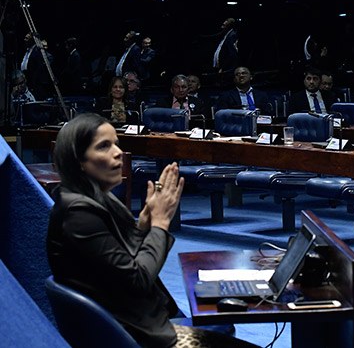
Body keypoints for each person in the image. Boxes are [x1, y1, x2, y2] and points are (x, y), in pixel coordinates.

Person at [46, 113, 255, 348]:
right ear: (78, 161)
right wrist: (160, 223)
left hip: (141, 321)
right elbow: (137, 280)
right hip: (140, 335)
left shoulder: (94, 200)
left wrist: (144, 224)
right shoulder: (78, 214)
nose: (117, 152)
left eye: (116, 143)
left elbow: (121, 262)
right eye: (104, 146)